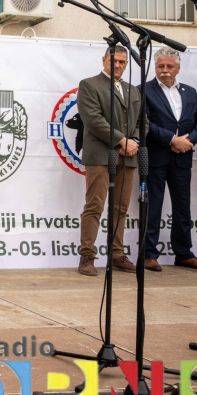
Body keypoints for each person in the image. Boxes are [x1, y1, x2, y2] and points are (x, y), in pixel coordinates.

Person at [76, 45, 145, 276]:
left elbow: (141, 120)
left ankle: (116, 255)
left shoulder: (133, 90)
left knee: (120, 209)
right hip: (100, 155)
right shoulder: (89, 84)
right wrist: (121, 140)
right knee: (94, 206)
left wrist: (133, 140)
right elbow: (93, 119)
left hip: (129, 156)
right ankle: (87, 256)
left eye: (122, 62)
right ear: (104, 59)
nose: (117, 65)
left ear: (127, 64)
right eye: (114, 61)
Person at [142, 47, 197, 272]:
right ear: (155, 67)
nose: (164, 70)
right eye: (161, 66)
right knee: (153, 207)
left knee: (183, 208)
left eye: (169, 66)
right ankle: (149, 255)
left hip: (183, 158)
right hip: (156, 157)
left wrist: (189, 140)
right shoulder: (143, 90)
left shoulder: (190, 92)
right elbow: (144, 123)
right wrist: (172, 139)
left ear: (178, 68)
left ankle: (183, 253)